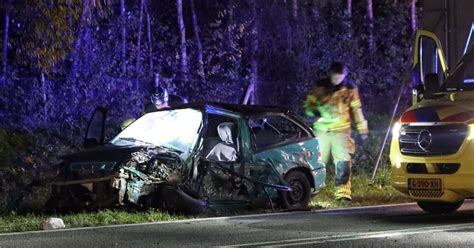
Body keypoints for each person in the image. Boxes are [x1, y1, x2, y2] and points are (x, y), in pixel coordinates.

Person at [304, 62, 369, 203]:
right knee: (317, 161)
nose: (337, 80)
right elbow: (309, 105)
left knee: (343, 163)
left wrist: (362, 128)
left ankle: (342, 193)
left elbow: (357, 110)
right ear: (330, 74)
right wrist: (314, 112)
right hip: (322, 130)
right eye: (335, 77)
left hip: (341, 131)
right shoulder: (320, 87)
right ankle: (312, 190)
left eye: (340, 77)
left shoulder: (350, 88)